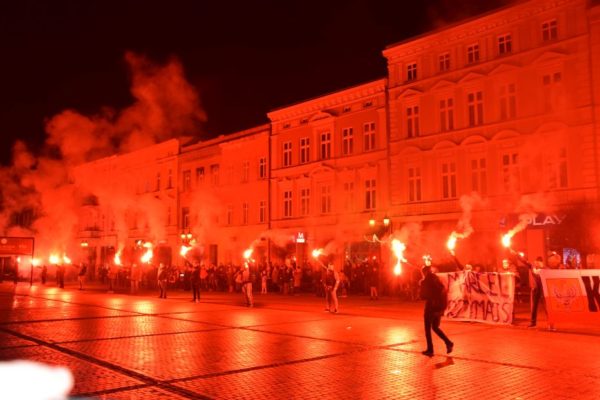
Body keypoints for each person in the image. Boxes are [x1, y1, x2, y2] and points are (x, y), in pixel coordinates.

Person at [420, 265, 453, 357]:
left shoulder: (425, 282)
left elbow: (422, 296)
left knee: (428, 330)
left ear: (424, 272)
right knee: (435, 327)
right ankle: (449, 343)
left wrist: (421, 285)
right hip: (438, 307)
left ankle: (430, 350)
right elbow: (442, 290)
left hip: (430, 308)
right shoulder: (437, 279)